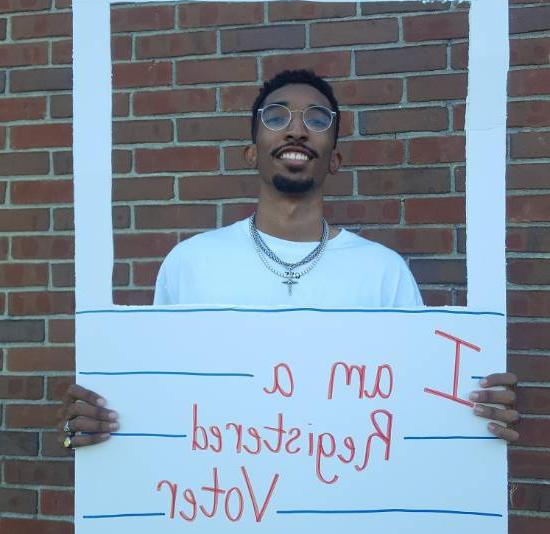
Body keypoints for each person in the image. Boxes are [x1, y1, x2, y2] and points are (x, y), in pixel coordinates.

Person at [58, 69, 519, 448]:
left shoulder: (382, 271)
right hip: (219, 503)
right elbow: (162, 394)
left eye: (317, 119)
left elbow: (416, 400)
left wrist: (475, 412)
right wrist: (105, 418)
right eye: (277, 117)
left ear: (334, 160)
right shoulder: (191, 262)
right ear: (250, 151)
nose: (297, 128)